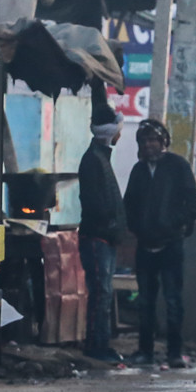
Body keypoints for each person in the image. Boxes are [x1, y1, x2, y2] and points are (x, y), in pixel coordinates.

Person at [123, 118, 196, 368]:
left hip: (171, 246)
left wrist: (174, 225)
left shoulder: (178, 167)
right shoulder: (138, 171)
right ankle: (145, 351)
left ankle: (174, 353)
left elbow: (195, 204)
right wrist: (139, 229)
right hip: (145, 247)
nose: (148, 145)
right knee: (145, 301)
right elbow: (129, 207)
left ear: (163, 142)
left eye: (153, 140)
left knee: (172, 301)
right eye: (144, 141)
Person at [78, 94, 126, 364]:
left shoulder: (100, 158)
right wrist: (111, 226)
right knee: (101, 292)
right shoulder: (94, 161)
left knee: (103, 291)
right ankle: (96, 345)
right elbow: (97, 204)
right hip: (98, 238)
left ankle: (100, 342)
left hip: (103, 237)